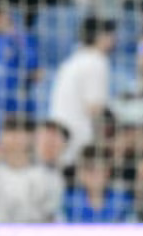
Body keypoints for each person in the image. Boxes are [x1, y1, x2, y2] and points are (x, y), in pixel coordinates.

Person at [48, 16, 116, 166]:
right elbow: (94, 108)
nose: (113, 39)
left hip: (60, 139)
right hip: (78, 144)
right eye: (109, 34)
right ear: (99, 37)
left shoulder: (71, 61)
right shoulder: (97, 61)